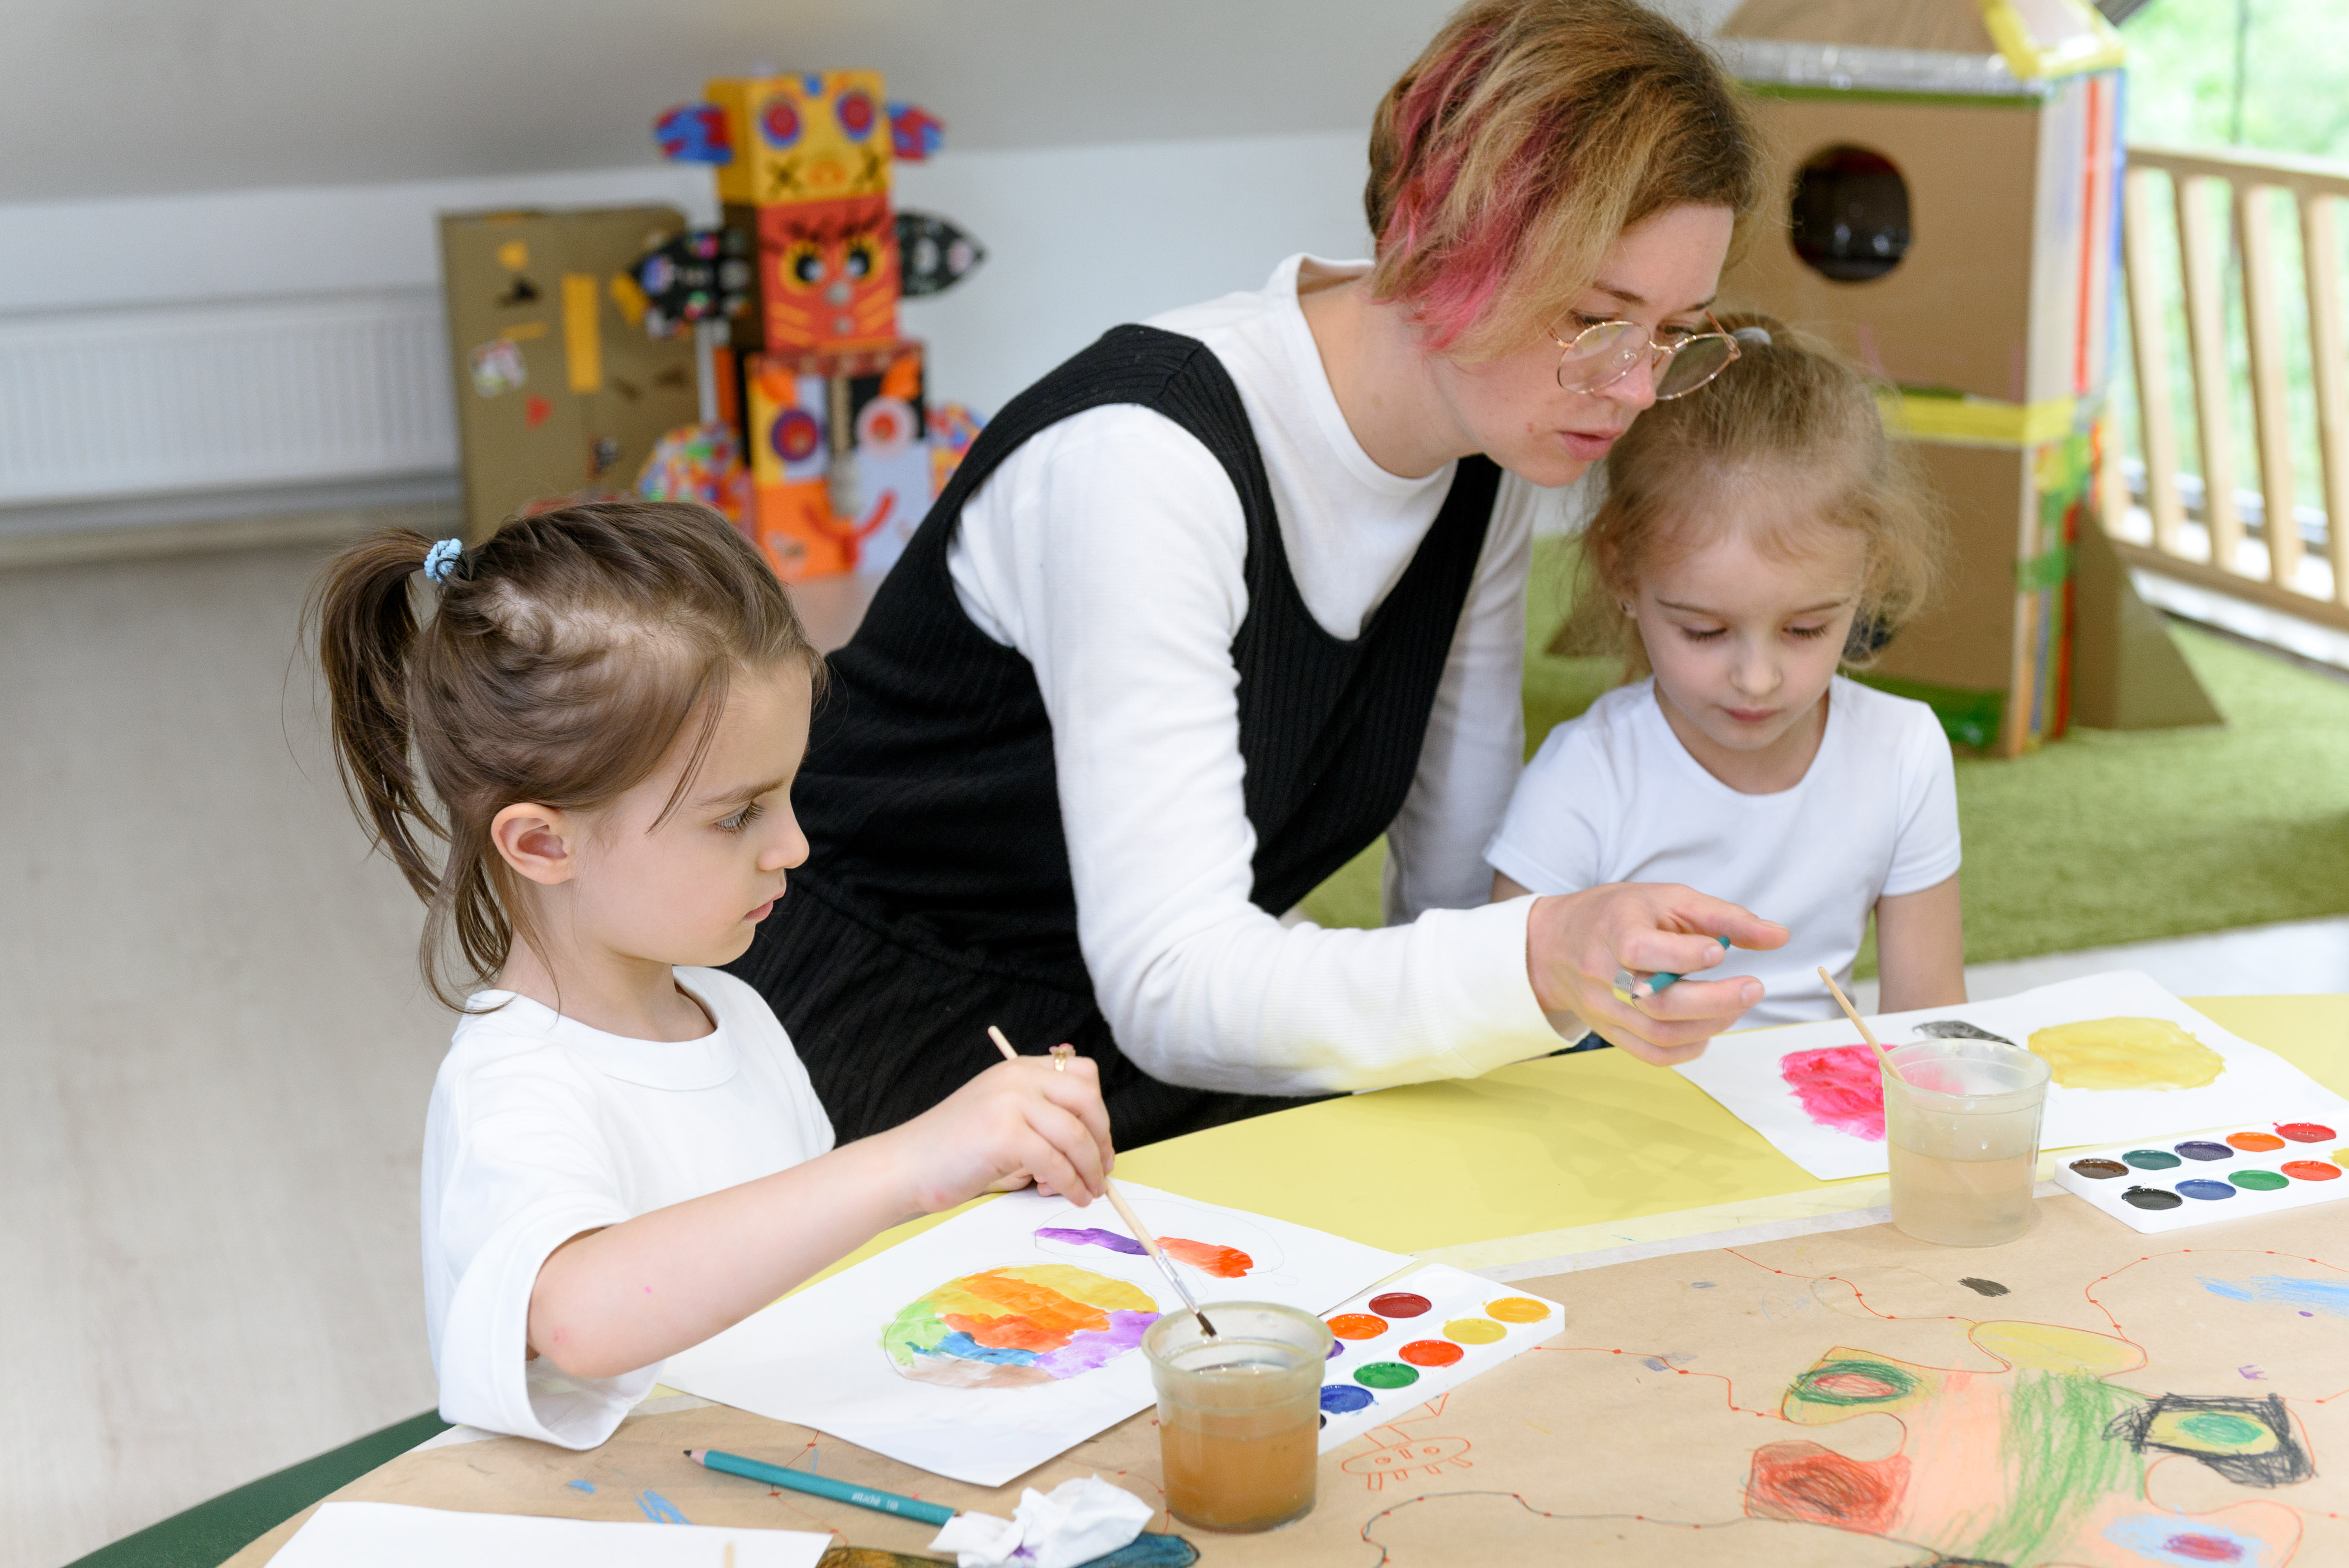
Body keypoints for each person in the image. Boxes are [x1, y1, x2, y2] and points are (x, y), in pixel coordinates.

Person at [733, 0, 1791, 1149]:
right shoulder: (1145, 465)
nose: (1636, 391)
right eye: (1595, 321)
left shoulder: (1490, 450)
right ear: (1444, 241)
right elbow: (1178, 984)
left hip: (1129, 1049)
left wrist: (1545, 977)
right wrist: (1533, 961)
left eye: (1675, 332)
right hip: (878, 1046)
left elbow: (1446, 878)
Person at [306, 504, 1116, 1448]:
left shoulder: (732, 1011)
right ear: (542, 842)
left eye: (788, 794)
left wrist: (982, 1170)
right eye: (739, 815)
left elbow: (793, 1264)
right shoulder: (515, 1082)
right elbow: (578, 1316)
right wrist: (909, 1161)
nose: (795, 845)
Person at [1488, 314, 1964, 1027]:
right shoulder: (1586, 775)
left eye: (1806, 628)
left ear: (1869, 572)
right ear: (1622, 569)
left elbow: (1930, 1024)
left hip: (1818, 1119)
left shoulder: (1904, 752)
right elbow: (1503, 1018)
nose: (1758, 678)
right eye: (1704, 630)